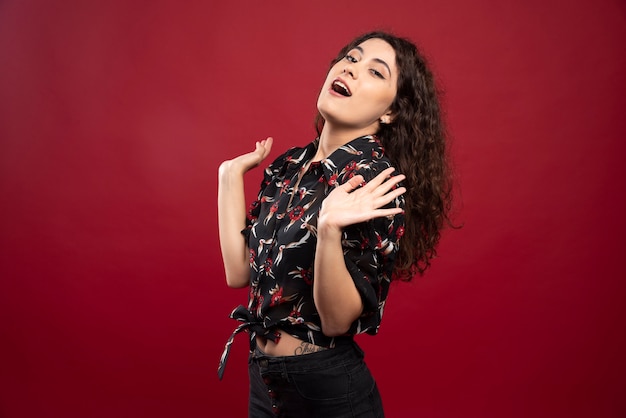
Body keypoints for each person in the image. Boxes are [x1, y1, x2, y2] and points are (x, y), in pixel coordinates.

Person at [217, 31, 453, 417]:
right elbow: (239, 272)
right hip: (263, 382)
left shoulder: (376, 183)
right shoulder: (289, 166)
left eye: (375, 72)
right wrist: (229, 177)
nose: (351, 68)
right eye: (351, 58)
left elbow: (336, 321)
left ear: (391, 111)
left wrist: (328, 230)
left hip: (327, 394)